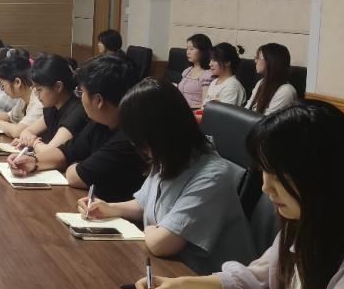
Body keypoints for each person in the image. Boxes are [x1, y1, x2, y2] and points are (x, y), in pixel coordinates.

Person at [135, 102, 344, 289]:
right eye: (263, 172)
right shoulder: (302, 228)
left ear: (320, 175)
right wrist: (181, 285)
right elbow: (255, 277)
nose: (265, 187)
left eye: (277, 175)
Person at [79, 79, 253, 273]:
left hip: (205, 279)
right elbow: (145, 204)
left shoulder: (214, 176)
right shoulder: (170, 156)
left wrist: (151, 230)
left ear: (162, 134)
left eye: (142, 142)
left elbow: (161, 244)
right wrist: (109, 208)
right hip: (168, 269)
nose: (143, 150)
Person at [8, 53, 145, 199]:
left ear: (98, 100)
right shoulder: (99, 124)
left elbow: (75, 176)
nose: (80, 97)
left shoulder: (129, 138)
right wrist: (32, 161)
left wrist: (74, 164)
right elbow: (65, 152)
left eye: (82, 92)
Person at [14, 54, 88, 151]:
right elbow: (26, 131)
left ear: (58, 87)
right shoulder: (52, 107)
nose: (36, 94)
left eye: (39, 89)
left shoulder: (77, 112)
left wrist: (34, 143)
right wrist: (27, 140)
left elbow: (49, 152)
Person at [247, 43, 297, 115]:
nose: (255, 61)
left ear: (271, 61)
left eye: (258, 57)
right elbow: (247, 109)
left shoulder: (286, 91)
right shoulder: (261, 82)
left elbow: (269, 120)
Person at [203, 42, 247, 107]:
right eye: (210, 60)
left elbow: (223, 112)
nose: (210, 64)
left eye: (215, 60)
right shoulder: (214, 82)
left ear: (227, 62)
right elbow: (204, 106)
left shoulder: (233, 86)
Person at [176, 33, 213, 109]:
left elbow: (204, 105)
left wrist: (185, 108)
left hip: (192, 112)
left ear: (203, 51)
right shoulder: (187, 71)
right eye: (187, 49)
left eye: (191, 49)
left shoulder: (207, 74)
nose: (187, 52)